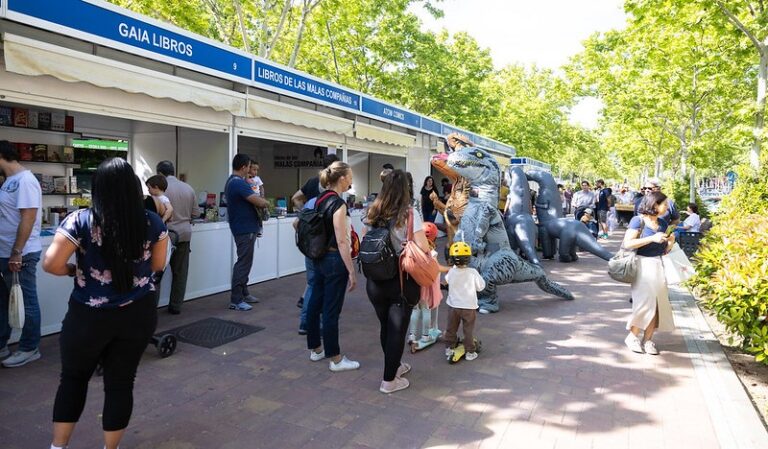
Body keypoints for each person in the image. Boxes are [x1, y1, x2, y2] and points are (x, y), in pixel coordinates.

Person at [44, 157, 169, 449]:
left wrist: (74, 271)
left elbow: (51, 264)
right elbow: (158, 265)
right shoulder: (151, 222)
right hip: (137, 315)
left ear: (97, 189)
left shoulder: (81, 220)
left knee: (73, 379)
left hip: (88, 316)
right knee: (121, 383)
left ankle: (58, 447)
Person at [364, 169, 429, 393]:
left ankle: (395, 366)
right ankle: (389, 381)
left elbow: (366, 239)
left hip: (374, 280)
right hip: (401, 281)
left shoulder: (373, 211)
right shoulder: (410, 214)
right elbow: (424, 248)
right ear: (406, 189)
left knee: (386, 326)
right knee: (398, 330)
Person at [306, 161, 359, 372]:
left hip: (317, 257)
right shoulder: (338, 204)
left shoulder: (317, 199)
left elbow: (298, 223)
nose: (351, 181)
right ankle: (335, 359)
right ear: (342, 178)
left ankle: (315, 349)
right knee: (331, 310)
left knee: (314, 304)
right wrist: (351, 270)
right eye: (350, 177)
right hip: (334, 260)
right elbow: (342, 241)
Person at [0, 140, 43, 368]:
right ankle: (2, 345)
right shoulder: (9, 181)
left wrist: (17, 252)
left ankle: (29, 347)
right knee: (3, 300)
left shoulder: (25, 180)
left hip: (20, 254)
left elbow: (28, 217)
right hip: (4, 252)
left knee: (26, 300)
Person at [622, 191, 676, 355]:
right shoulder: (638, 221)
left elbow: (665, 250)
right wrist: (651, 239)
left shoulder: (663, 224)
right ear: (654, 204)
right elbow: (628, 243)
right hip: (642, 265)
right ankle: (632, 336)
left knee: (658, 305)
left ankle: (648, 340)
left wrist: (670, 242)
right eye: (664, 204)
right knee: (644, 303)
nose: (667, 207)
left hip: (658, 265)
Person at [292, 153, 339, 329]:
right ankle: (316, 323)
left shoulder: (312, 182)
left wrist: (306, 215)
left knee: (313, 284)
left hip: (311, 241)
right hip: (326, 243)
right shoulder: (332, 188)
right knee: (324, 284)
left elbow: (296, 198)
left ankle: (305, 323)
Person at [225, 154, 269, 311]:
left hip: (244, 227)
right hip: (244, 228)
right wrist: (265, 201)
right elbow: (259, 201)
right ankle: (236, 300)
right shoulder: (239, 184)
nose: (251, 170)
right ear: (243, 167)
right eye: (249, 166)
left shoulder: (234, 182)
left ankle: (244, 293)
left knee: (245, 262)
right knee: (243, 263)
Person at [156, 160, 199, 315]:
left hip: (165, 235)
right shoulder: (188, 188)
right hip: (184, 234)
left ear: (159, 173)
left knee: (157, 271)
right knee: (180, 272)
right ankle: (175, 306)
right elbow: (196, 213)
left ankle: (152, 306)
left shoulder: (159, 189)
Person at [407, 222, 446, 352]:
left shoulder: (415, 249)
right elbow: (436, 268)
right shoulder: (432, 253)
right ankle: (425, 336)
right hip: (427, 286)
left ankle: (411, 335)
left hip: (416, 285)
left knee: (415, 310)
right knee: (426, 310)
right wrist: (450, 268)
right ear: (434, 237)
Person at [444, 241, 486, 361]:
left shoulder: (451, 271)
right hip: (469, 307)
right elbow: (481, 287)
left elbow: (446, 281)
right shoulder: (473, 273)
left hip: (453, 306)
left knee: (451, 328)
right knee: (468, 330)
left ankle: (449, 347)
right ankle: (470, 352)